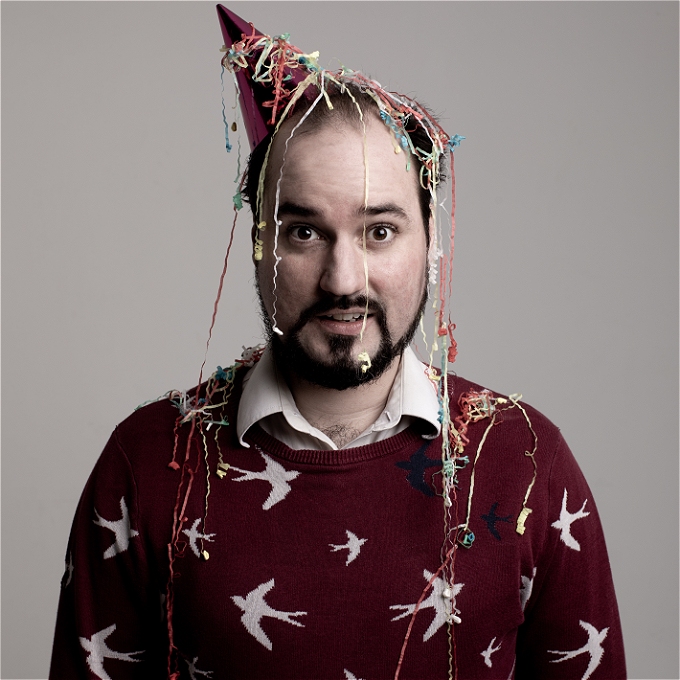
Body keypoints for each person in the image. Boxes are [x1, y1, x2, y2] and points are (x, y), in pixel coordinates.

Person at [49, 6, 626, 679]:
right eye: (304, 232)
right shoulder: (147, 466)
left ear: (429, 242)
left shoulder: (527, 464)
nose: (343, 280)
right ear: (260, 241)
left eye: (379, 231)